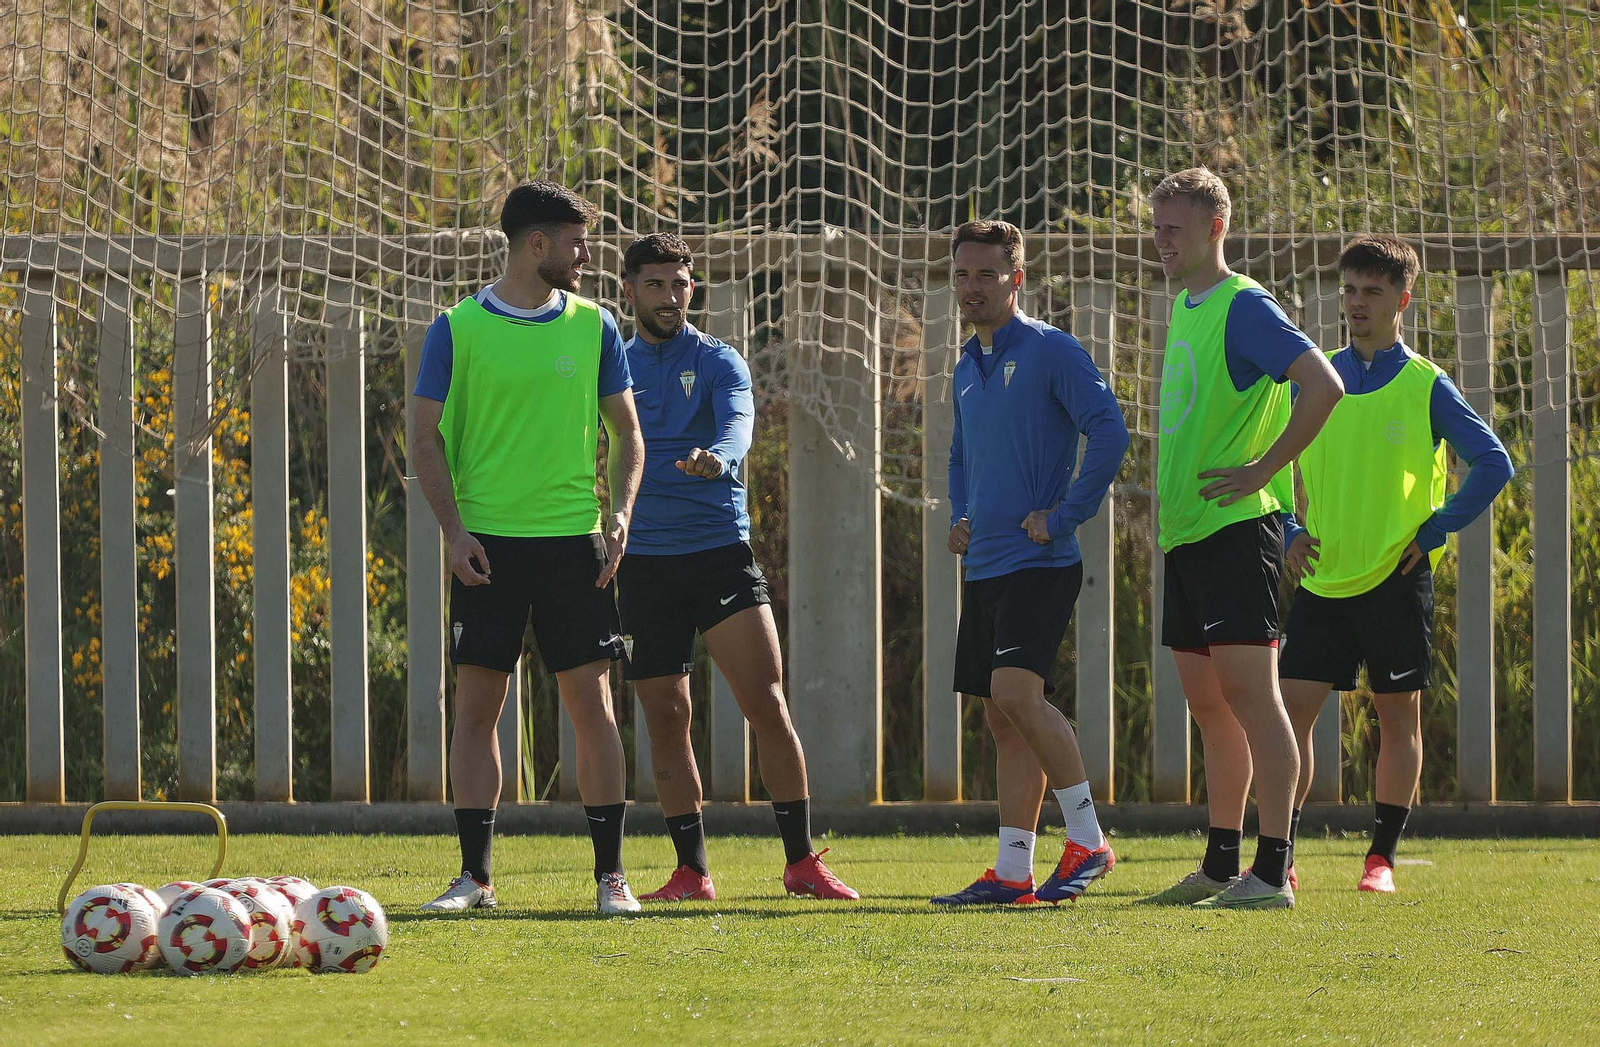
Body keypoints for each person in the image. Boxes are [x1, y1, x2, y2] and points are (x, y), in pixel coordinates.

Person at [411, 180, 646, 916]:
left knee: (593, 707)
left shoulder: (596, 325)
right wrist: (454, 531)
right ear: (536, 244)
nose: (587, 255)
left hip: (575, 544)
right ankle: (474, 878)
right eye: (577, 242)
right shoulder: (456, 328)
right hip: (488, 548)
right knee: (477, 708)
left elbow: (629, 434)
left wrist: (622, 514)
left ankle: (612, 877)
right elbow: (423, 436)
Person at [615, 233, 857, 901]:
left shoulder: (719, 359)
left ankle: (802, 861)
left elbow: (740, 424)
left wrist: (720, 456)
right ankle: (692, 871)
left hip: (719, 552)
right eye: (657, 284)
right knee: (666, 714)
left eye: (681, 283)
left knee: (768, 703)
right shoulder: (614, 364)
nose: (671, 296)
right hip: (643, 563)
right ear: (629, 289)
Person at [1280, 235, 1512, 892]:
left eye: (1371, 292)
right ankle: (1280, 856)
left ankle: (1380, 857)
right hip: (1322, 578)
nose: (1355, 303)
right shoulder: (1314, 376)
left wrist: (1437, 527)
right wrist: (1291, 528)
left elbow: (1494, 462)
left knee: (1396, 716)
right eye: (1349, 290)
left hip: (1396, 579)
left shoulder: (1425, 385)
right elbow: (1268, 461)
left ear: (1401, 300)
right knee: (1290, 715)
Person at [1144, 167, 1344, 910]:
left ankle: (1273, 870)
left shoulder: (1243, 304)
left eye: (1175, 228)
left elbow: (1324, 384)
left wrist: (1264, 467)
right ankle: (1222, 862)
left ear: (1215, 229)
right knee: (1210, 705)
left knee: (1255, 700)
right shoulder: (1187, 305)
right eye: (1157, 226)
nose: (1161, 240)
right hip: (1188, 535)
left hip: (1237, 532)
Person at [929, 220, 1131, 907]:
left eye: (987, 275)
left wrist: (1066, 513)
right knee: (1001, 718)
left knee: (1019, 695)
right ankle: (1013, 872)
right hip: (984, 563)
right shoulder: (964, 362)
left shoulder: (1053, 350)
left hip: (1041, 562)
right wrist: (962, 513)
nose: (972, 288)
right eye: (963, 274)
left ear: (1018, 278)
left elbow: (1110, 430)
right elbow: (960, 454)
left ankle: (1088, 838)